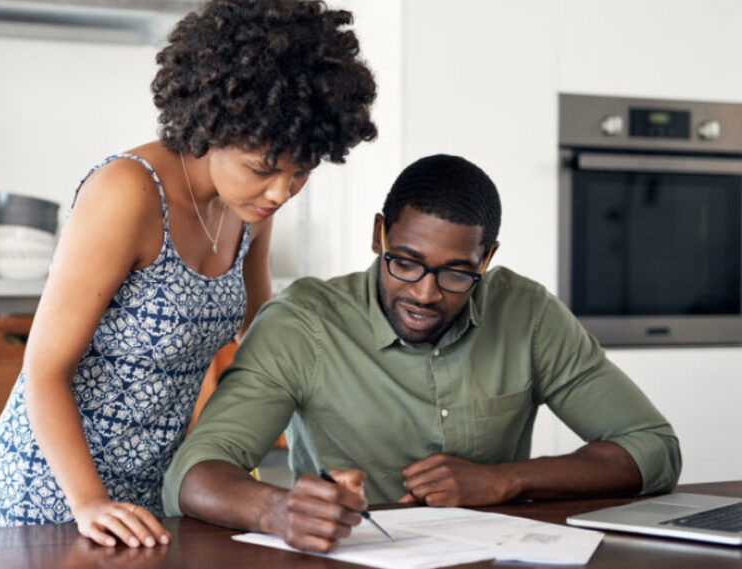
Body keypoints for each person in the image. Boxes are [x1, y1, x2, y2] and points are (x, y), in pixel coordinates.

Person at [0, 0, 378, 550]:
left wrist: (330, 448)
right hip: (50, 488)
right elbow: (43, 371)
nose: (282, 191)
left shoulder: (249, 207)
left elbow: (263, 342)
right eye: (264, 167)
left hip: (150, 490)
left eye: (301, 170)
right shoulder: (128, 194)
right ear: (211, 125)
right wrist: (88, 501)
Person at [163, 154, 681, 553]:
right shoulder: (304, 323)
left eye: (457, 272)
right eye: (406, 263)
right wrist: (275, 510)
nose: (426, 294)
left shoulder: (527, 314)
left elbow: (653, 449)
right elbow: (195, 474)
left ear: (488, 258)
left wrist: (504, 480)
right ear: (378, 235)